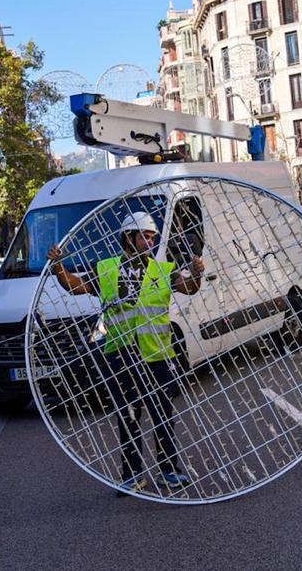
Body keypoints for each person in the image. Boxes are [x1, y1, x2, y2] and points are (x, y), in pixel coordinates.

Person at [47, 210, 205, 495]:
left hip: (158, 356)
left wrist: (196, 273)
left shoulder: (164, 270)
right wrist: (58, 266)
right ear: (127, 237)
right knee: (129, 416)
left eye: (152, 237)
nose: (150, 242)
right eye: (144, 236)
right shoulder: (107, 269)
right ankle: (133, 476)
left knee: (162, 414)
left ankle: (170, 471)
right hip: (121, 355)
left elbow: (190, 288)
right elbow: (75, 286)